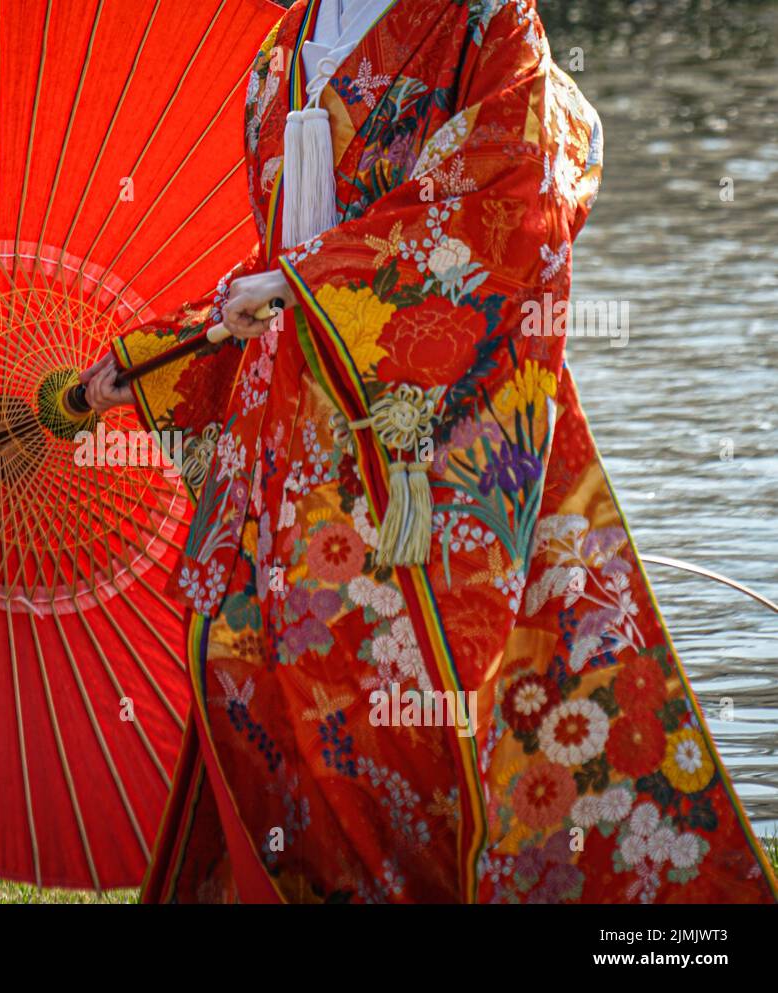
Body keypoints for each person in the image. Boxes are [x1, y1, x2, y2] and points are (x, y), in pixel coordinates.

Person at [79, 0, 778, 903]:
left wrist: (308, 280)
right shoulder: (280, 52)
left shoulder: (484, 23)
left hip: (433, 437)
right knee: (244, 658)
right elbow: (277, 261)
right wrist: (163, 354)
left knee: (409, 685)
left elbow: (516, 191)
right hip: (289, 428)